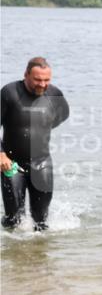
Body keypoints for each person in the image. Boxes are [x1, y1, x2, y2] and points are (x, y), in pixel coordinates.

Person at [1, 57, 70, 231]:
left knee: (42, 221)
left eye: (46, 80)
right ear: (26, 75)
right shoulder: (9, 93)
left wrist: (42, 126)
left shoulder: (55, 95)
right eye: (37, 80)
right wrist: (1, 154)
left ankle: (40, 255)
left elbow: (63, 115)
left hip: (42, 162)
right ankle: (11, 255)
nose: (42, 84)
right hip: (12, 164)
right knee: (13, 220)